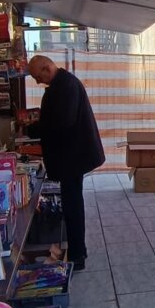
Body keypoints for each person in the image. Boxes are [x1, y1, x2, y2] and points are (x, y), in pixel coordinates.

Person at [25, 55, 104, 271]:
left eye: (36, 76)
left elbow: (62, 123)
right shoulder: (62, 84)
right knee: (72, 203)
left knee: (73, 206)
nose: (37, 81)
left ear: (46, 67)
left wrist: (34, 129)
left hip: (73, 157)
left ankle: (78, 254)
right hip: (71, 156)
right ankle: (78, 250)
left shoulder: (66, 85)